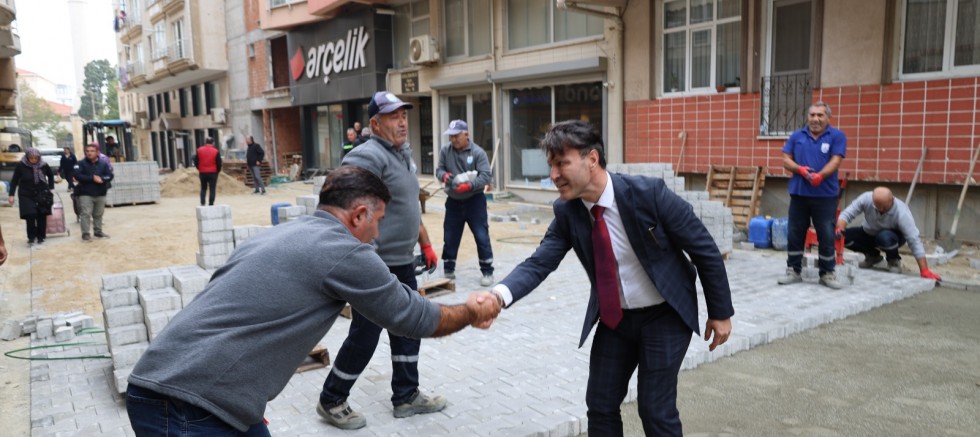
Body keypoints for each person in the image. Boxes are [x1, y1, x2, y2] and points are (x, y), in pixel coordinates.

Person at [126, 166, 502, 436]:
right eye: (378, 220)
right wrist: (471, 311)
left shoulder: (277, 234)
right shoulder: (345, 251)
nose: (377, 232)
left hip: (185, 388)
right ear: (358, 215)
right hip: (188, 403)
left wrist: (243, 397)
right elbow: (410, 316)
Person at [483, 120, 734, 436]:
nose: (553, 175)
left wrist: (720, 313)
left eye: (561, 163)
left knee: (655, 410)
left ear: (592, 159)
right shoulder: (567, 211)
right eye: (551, 166)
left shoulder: (649, 194)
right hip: (616, 321)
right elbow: (539, 263)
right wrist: (498, 296)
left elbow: (704, 249)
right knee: (600, 406)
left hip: (665, 315)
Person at [318, 91, 443, 430]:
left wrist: (425, 243)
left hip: (402, 261)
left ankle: (406, 395)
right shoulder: (368, 156)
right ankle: (331, 399)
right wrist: (363, 256)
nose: (402, 122)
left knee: (409, 326)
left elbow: (408, 206)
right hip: (376, 263)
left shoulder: (401, 155)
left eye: (404, 115)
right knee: (366, 334)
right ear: (374, 124)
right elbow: (346, 203)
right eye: (393, 116)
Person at [777, 101, 847, 289]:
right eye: (812, 115)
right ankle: (793, 270)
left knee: (826, 234)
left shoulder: (837, 136)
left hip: (825, 196)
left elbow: (836, 161)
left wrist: (820, 176)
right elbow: (786, 159)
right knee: (795, 233)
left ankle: (827, 273)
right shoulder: (797, 136)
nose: (815, 119)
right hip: (799, 194)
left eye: (820, 115)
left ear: (828, 118)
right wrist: (800, 170)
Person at [435, 119, 495, 286]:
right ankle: (449, 269)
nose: (453, 140)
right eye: (451, 136)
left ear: (466, 134)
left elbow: (486, 176)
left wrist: (470, 186)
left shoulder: (478, 153)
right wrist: (444, 176)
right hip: (453, 201)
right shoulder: (445, 150)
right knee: (450, 236)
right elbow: (439, 169)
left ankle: (487, 271)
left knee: (481, 235)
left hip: (474, 201)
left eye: (456, 136)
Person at [837, 186, 942, 281]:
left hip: (892, 237)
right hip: (869, 232)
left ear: (892, 200)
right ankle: (873, 256)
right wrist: (839, 229)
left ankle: (893, 260)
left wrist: (924, 270)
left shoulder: (902, 212)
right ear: (873, 201)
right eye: (878, 207)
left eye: (885, 207)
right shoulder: (866, 198)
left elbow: (914, 239)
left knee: (884, 237)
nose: (881, 210)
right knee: (842, 236)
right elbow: (846, 214)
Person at [7, 147, 56, 246]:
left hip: (42, 193)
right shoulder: (21, 165)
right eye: (31, 158)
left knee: (41, 215)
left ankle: (41, 236)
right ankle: (31, 237)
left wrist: (51, 188)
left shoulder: (44, 165)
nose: (33, 160)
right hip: (26, 194)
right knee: (30, 214)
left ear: (39, 157)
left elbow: (51, 175)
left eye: (35, 158)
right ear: (27, 157)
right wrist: (11, 195)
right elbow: (14, 181)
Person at [74, 143, 114, 241]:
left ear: (97, 153)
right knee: (86, 213)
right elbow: (77, 175)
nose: (89, 153)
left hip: (100, 193)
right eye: (87, 151)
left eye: (92, 151)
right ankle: (85, 234)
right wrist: (92, 178)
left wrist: (102, 179)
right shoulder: (80, 164)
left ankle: (98, 231)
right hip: (85, 193)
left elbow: (110, 175)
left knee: (98, 214)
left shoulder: (103, 164)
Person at [194, 137, 222, 206]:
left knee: (203, 188)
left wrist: (199, 168)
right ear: (213, 143)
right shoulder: (216, 151)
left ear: (205, 142)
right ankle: (211, 203)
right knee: (212, 188)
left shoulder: (199, 150)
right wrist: (217, 171)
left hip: (202, 172)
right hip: (213, 172)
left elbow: (196, 161)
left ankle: (202, 202)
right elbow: (219, 163)